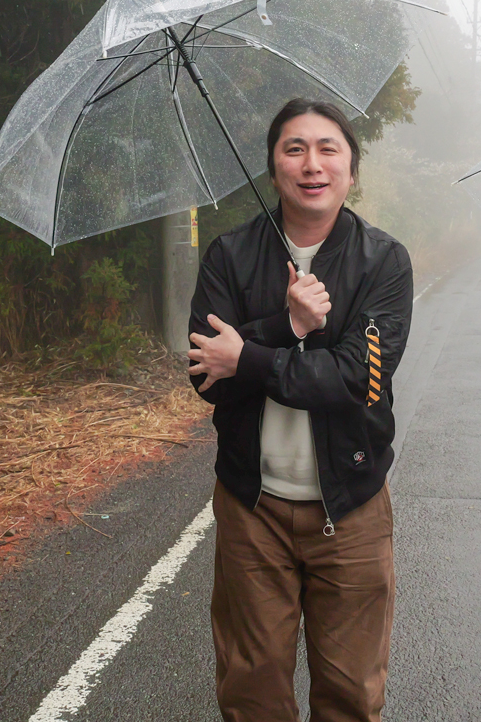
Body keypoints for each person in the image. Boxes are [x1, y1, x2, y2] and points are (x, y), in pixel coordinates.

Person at [186, 98, 412, 722]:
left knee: (351, 693)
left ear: (351, 169)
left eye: (327, 149)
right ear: (273, 167)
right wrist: (284, 326)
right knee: (252, 688)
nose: (312, 164)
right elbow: (206, 376)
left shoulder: (382, 261)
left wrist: (250, 356)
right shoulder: (230, 256)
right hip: (251, 508)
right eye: (294, 149)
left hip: (352, 505)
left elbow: (359, 379)